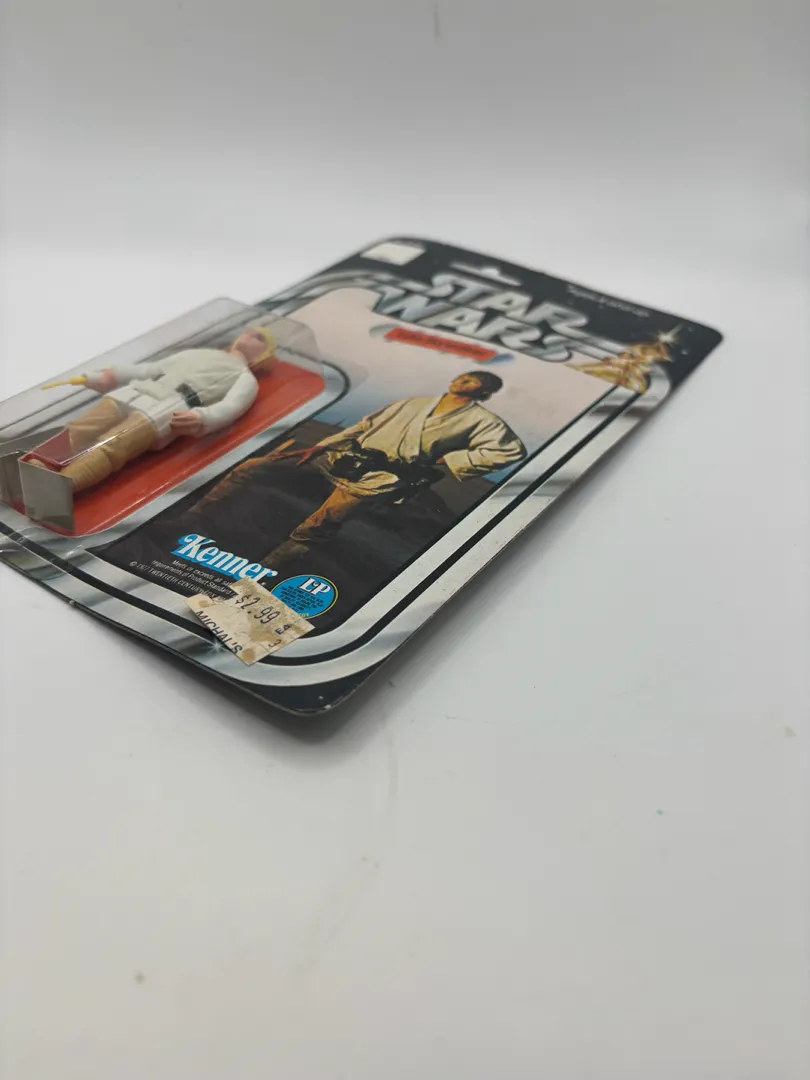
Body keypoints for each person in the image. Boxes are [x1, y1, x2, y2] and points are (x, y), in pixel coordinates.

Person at [271, 370, 526, 548]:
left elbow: (510, 451)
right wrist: (319, 447)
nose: (461, 380)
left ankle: (272, 570)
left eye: (471, 380)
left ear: (484, 391)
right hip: (344, 457)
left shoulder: (482, 420)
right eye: (462, 376)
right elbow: (364, 426)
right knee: (257, 468)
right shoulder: (415, 403)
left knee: (318, 525)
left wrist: (451, 458)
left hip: (383, 477)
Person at [36, 326, 276, 492]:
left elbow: (229, 408)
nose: (251, 335)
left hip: (167, 409)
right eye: (250, 331)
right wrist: (113, 374)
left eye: (260, 338)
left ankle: (61, 485)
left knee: (113, 446)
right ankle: (38, 463)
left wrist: (202, 418)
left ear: (265, 354)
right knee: (81, 427)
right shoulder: (201, 353)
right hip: (138, 390)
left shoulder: (245, 379)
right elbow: (151, 369)